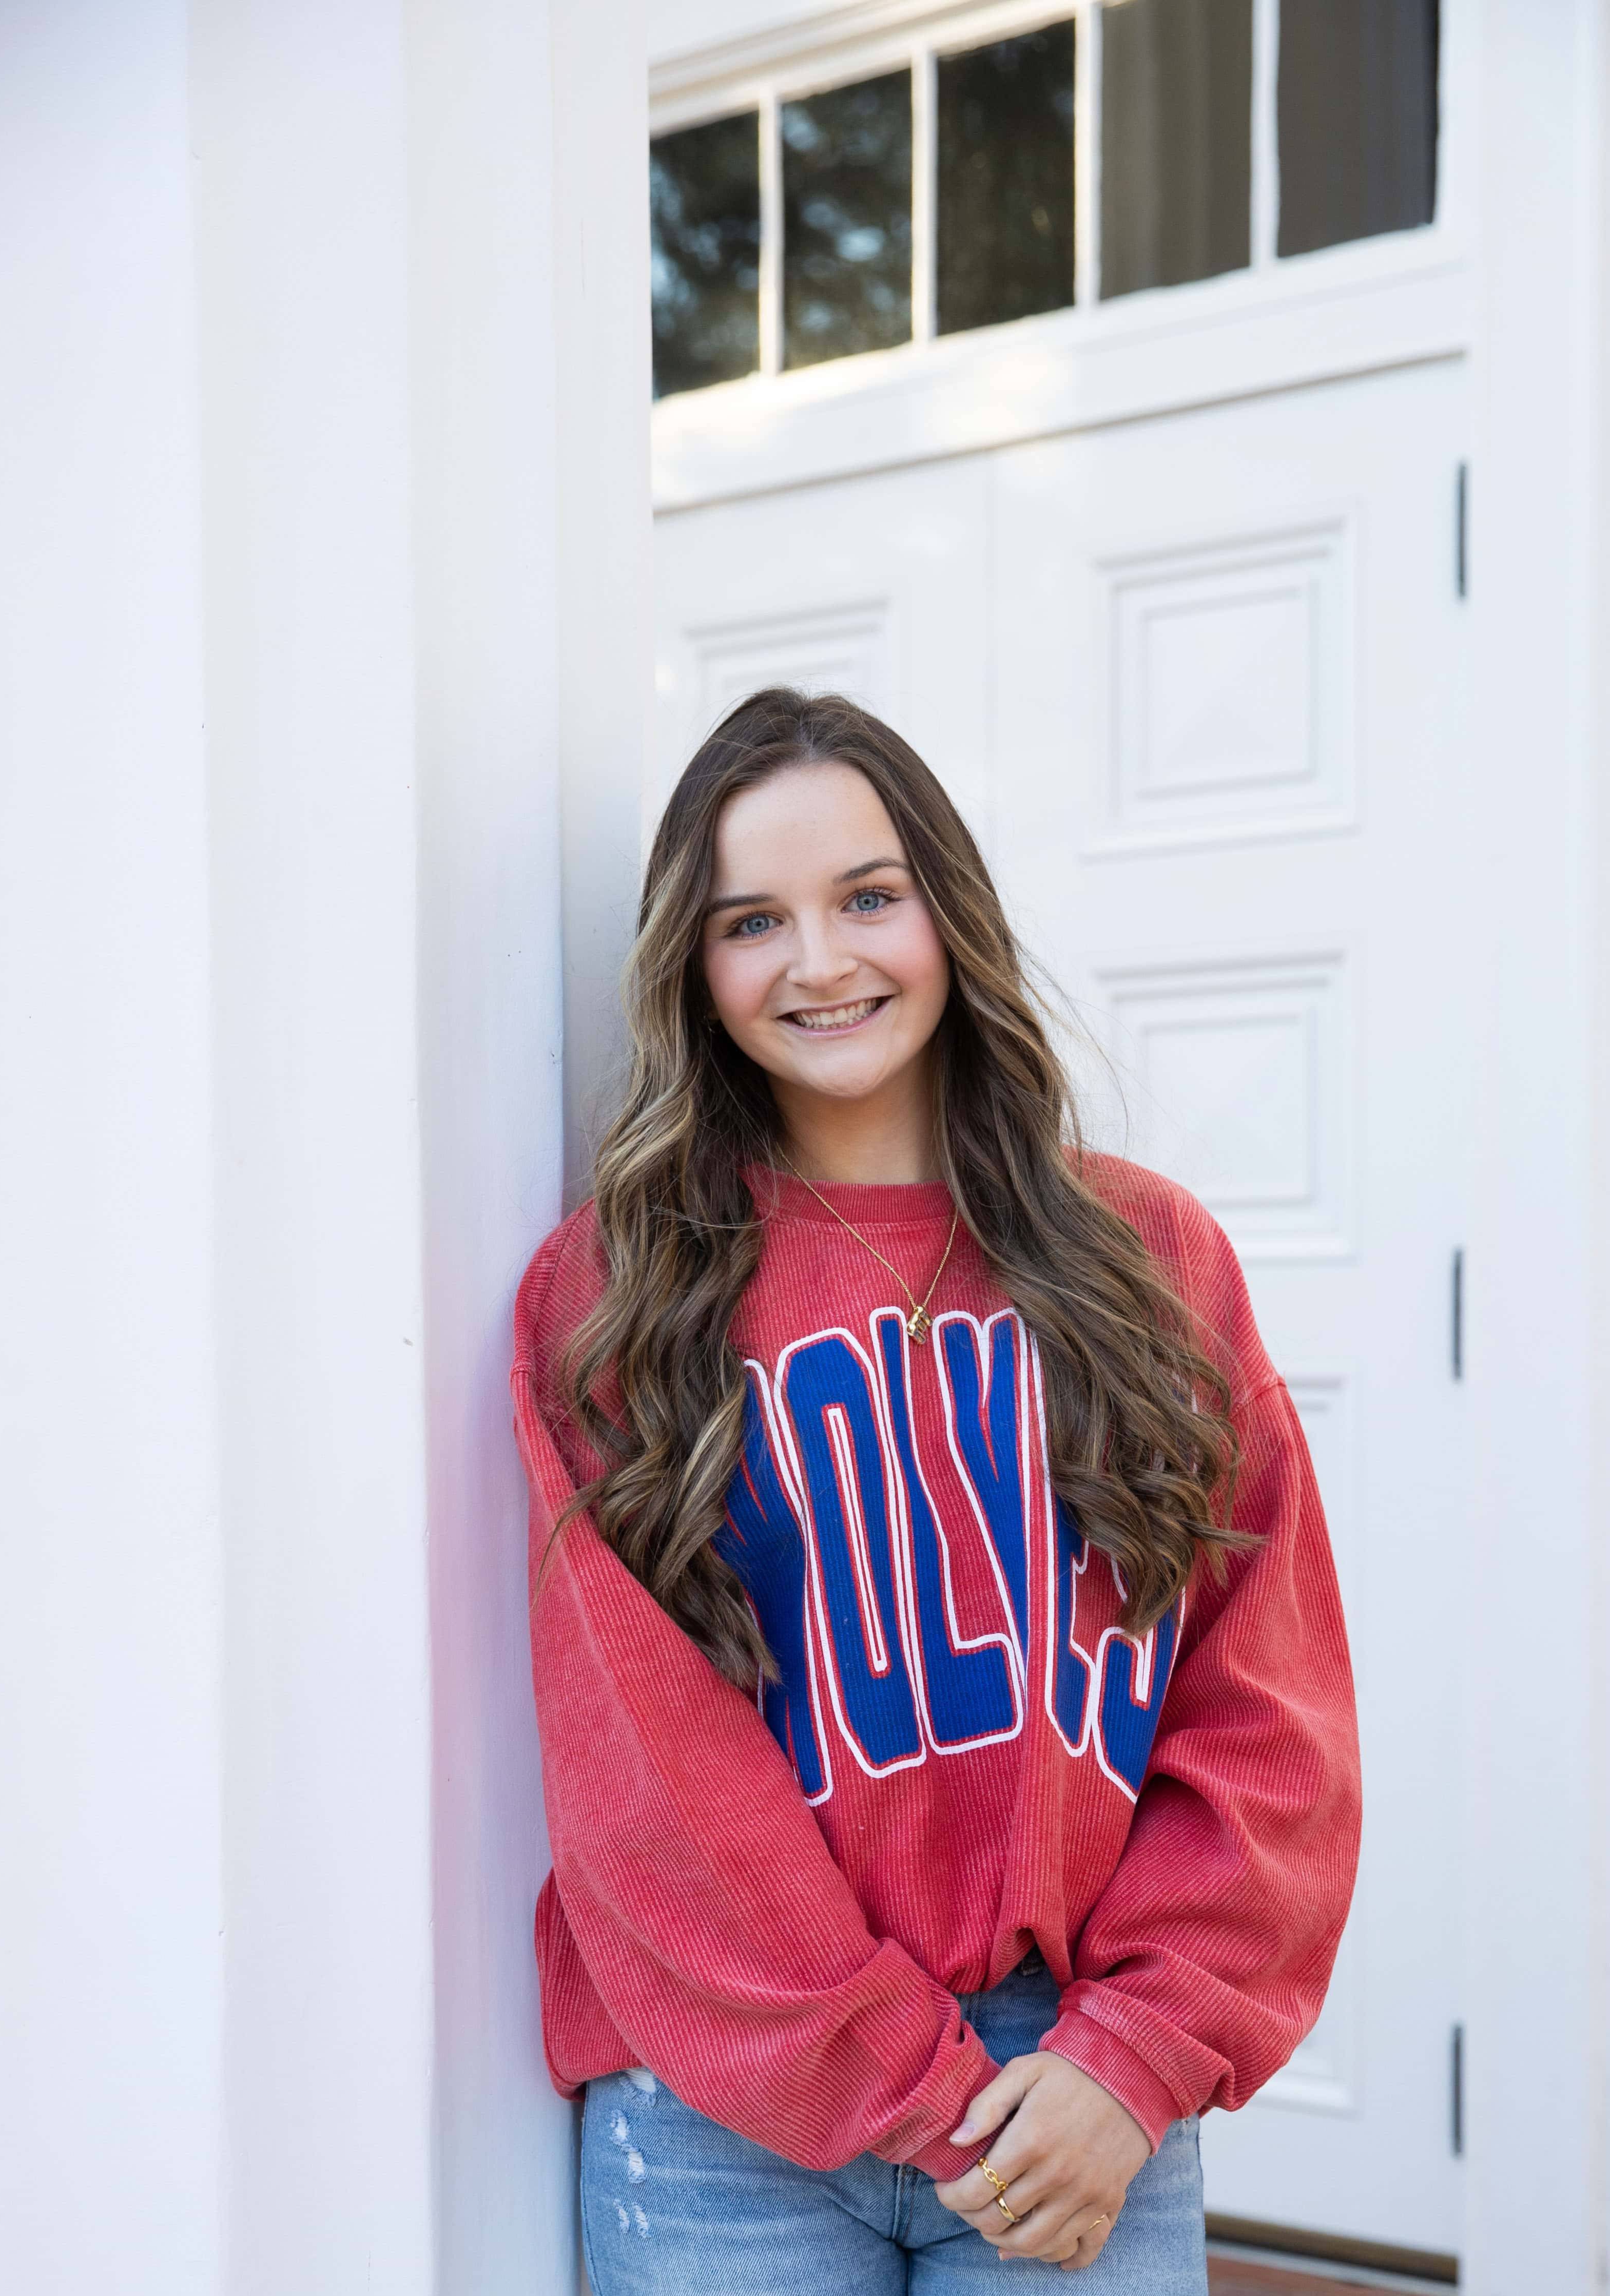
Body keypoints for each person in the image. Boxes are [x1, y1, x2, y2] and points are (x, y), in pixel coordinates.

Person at [513, 690, 1360, 2291]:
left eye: (868, 896)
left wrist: (1139, 2055)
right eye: (751, 920)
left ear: (947, 912)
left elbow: (1269, 1704)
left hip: (1075, 2081)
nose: (820, 961)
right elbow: (644, 1767)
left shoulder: (1146, 1262)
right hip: (724, 2106)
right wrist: (899, 2073)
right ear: (691, 968)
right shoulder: (617, 1295)